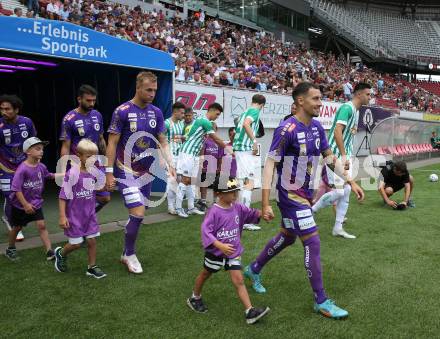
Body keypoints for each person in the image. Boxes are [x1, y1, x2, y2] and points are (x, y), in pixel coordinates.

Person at [244, 82, 365, 319]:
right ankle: (321, 300)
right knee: (313, 242)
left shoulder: (318, 128)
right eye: (316, 99)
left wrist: (350, 181)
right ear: (301, 101)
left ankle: (253, 268)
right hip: (290, 197)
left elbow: (330, 159)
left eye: (320, 98)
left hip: (305, 195)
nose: (321, 103)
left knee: (288, 237)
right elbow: (270, 164)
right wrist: (265, 202)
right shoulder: (286, 129)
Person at [105, 71, 176, 274]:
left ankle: (127, 244)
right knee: (138, 212)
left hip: (146, 173)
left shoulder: (157, 112)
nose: (152, 93)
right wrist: (109, 172)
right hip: (125, 171)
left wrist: (170, 162)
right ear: (138, 88)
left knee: (138, 216)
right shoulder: (122, 111)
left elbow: (162, 140)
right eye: (148, 90)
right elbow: (112, 142)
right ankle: (129, 254)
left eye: (155, 90)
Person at [186, 177, 270, 324]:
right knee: (205, 274)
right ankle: (195, 297)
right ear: (219, 193)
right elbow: (206, 231)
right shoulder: (214, 212)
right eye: (231, 192)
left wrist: (263, 213)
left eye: (236, 191)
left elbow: (251, 213)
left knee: (239, 280)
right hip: (215, 253)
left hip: (233, 253)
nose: (235, 195)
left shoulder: (237, 207)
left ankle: (249, 311)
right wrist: (220, 245)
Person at [311, 82, 372, 239]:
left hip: (345, 156)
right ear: (358, 94)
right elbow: (338, 131)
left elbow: (347, 135)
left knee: (346, 191)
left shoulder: (357, 112)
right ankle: (310, 211)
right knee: (339, 191)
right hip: (335, 156)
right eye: (368, 94)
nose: (370, 97)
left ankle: (337, 228)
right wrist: (344, 156)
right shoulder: (347, 108)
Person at [55, 139, 106, 279]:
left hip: (90, 215)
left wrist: (107, 186)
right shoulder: (72, 174)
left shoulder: (94, 172)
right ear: (79, 155)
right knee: (76, 244)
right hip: (74, 217)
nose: (92, 159)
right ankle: (61, 253)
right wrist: (62, 216)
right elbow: (62, 197)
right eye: (88, 156)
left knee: (92, 241)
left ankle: (92, 267)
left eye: (94, 156)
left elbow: (98, 188)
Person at [59, 84, 110, 214]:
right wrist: (62, 170)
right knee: (81, 196)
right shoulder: (69, 119)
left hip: (97, 162)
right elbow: (65, 146)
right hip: (78, 164)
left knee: (105, 197)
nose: (92, 103)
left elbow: (101, 139)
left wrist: (105, 163)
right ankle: (79, 222)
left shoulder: (97, 115)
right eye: (88, 100)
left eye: (93, 100)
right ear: (79, 99)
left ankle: (85, 217)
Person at [175, 103, 229, 218]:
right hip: (187, 153)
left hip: (193, 154)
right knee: (185, 180)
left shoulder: (201, 120)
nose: (217, 117)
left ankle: (190, 208)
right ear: (211, 110)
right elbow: (216, 138)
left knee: (190, 181)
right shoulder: (205, 121)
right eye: (217, 114)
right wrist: (228, 148)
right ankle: (178, 208)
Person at [5, 137, 54, 261]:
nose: (41, 151)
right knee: (17, 227)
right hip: (19, 205)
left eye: (42, 149)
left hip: (36, 203)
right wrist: (25, 205)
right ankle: (10, 248)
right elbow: (16, 189)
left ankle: (49, 251)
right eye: (38, 149)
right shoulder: (22, 169)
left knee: (41, 225)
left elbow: (49, 175)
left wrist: (66, 175)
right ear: (28, 152)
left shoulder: (41, 166)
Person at [0, 94, 37, 242]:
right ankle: (11, 222)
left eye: (7, 109)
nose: (3, 112)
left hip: (24, 166)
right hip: (5, 168)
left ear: (16, 110)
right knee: (11, 195)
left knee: (25, 195)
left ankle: (12, 218)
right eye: (1, 109)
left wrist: (33, 162)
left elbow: (33, 142)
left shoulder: (26, 122)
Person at [233, 94, 266, 231]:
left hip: (241, 150)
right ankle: (245, 220)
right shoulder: (254, 111)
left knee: (245, 183)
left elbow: (239, 125)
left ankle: (239, 216)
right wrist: (254, 141)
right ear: (262, 105)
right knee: (248, 184)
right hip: (245, 150)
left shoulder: (243, 112)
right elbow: (246, 124)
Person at [165, 102, 185, 215]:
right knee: (172, 180)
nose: (183, 115)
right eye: (181, 113)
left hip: (180, 156)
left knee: (179, 181)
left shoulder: (181, 124)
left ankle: (177, 205)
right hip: (170, 157)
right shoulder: (167, 123)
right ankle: (170, 206)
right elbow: (161, 140)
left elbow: (180, 139)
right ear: (175, 111)